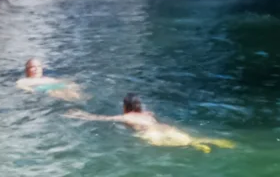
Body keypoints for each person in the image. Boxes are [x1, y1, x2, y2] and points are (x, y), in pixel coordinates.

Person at [68, 94, 235, 153]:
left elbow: (101, 118)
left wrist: (80, 115)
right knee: (189, 139)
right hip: (163, 127)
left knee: (167, 146)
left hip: (149, 132)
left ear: (126, 106)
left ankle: (199, 147)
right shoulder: (148, 114)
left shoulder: (126, 117)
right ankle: (211, 142)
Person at [16, 58, 84, 102]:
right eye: (33, 67)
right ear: (26, 70)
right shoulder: (24, 81)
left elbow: (61, 82)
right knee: (52, 91)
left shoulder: (48, 79)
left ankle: (80, 103)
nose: (36, 69)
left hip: (53, 87)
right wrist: (30, 90)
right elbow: (20, 86)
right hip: (43, 90)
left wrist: (71, 85)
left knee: (73, 92)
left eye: (39, 66)